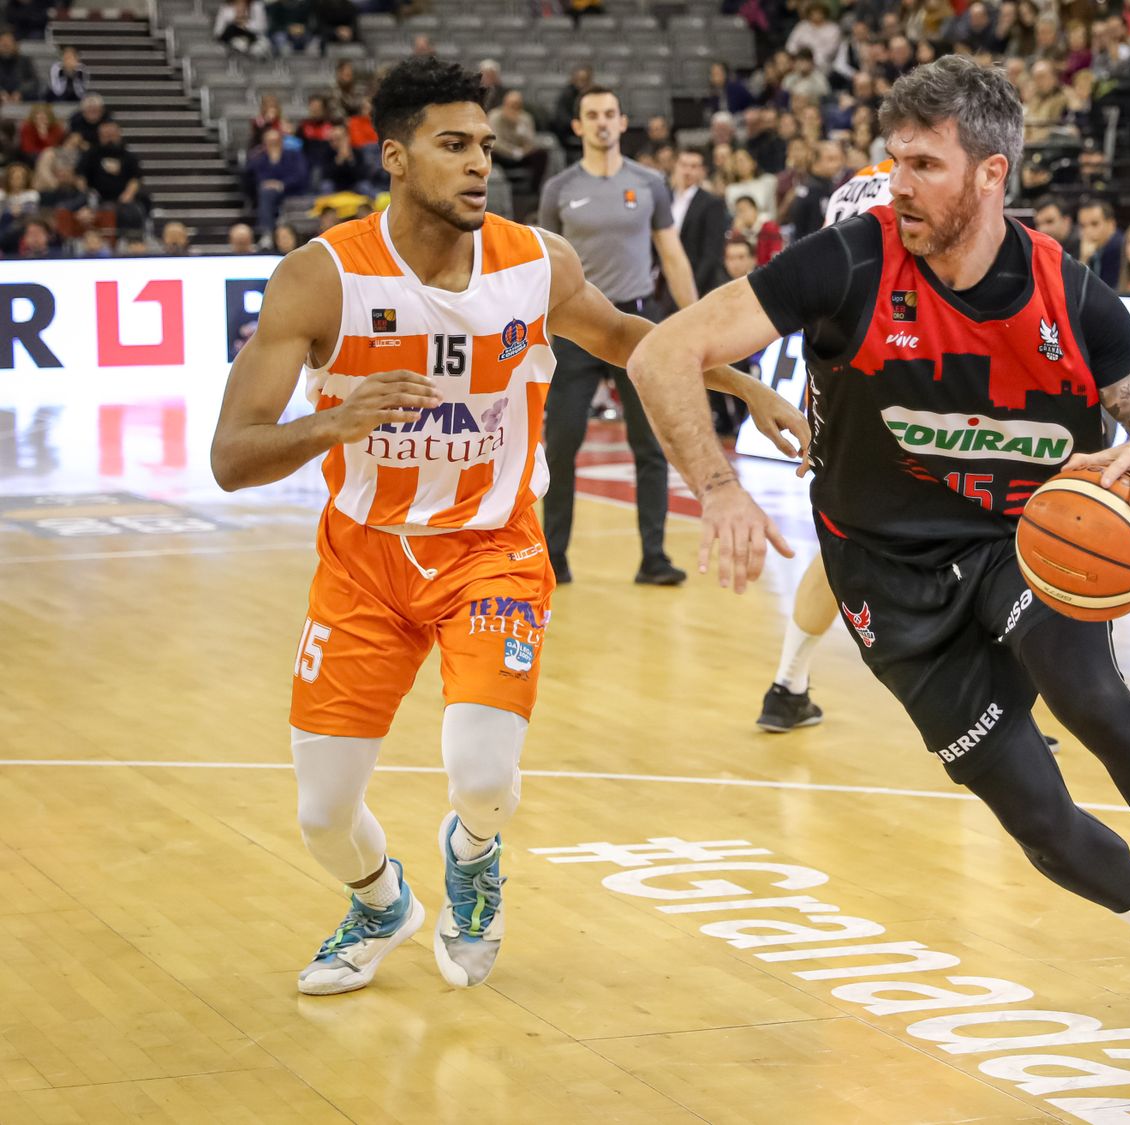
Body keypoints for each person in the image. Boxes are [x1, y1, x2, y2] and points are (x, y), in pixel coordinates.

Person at [628, 56, 1130, 1054]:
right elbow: (659, 350)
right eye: (893, 161)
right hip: (882, 574)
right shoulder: (847, 263)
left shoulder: (1072, 298)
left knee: (1097, 702)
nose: (898, 184)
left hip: (1022, 546)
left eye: (924, 164)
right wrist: (717, 491)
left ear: (990, 175)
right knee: (1033, 813)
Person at [209, 57, 804, 999]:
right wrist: (335, 420)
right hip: (363, 565)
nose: (479, 163)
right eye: (453, 146)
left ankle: (474, 856)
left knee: (481, 774)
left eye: (485, 144)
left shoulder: (536, 261)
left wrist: (745, 384)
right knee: (323, 814)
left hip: (493, 549)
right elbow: (231, 457)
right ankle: (379, 901)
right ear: (396, 158)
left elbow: (628, 340)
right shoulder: (320, 280)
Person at [537, 86, 703, 586]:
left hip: (635, 327)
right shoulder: (559, 188)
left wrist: (695, 325)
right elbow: (544, 263)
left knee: (649, 445)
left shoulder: (650, 183)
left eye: (610, 113)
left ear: (622, 121)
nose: (603, 122)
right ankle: (552, 559)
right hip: (573, 328)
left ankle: (654, 557)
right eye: (592, 115)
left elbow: (671, 255)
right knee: (561, 444)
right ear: (578, 126)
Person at [671, 149, 732, 302]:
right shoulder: (665, 198)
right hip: (665, 281)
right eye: (684, 165)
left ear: (702, 171)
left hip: (697, 282)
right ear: (676, 167)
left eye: (693, 166)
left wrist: (692, 287)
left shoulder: (712, 203)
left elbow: (712, 253)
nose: (687, 171)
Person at [1076, 197, 1122, 286]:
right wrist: (1084, 259)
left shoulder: (1121, 248)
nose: (1088, 231)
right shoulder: (1082, 247)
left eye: (1094, 224)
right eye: (1082, 226)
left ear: (1111, 224)